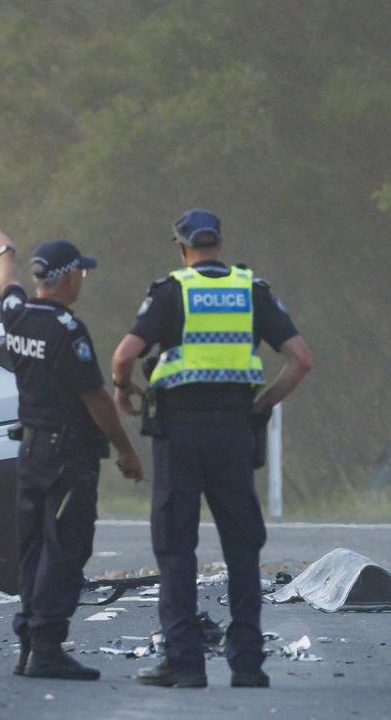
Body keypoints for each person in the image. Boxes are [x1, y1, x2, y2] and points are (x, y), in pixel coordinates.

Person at [110, 209, 312, 689]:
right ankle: (247, 663)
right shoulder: (251, 291)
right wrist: (262, 403)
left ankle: (184, 662)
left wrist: (122, 389)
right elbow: (301, 359)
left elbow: (122, 356)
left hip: (178, 436)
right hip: (234, 436)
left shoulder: (171, 291)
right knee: (242, 546)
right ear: (219, 243)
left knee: (176, 547)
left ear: (182, 248)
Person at [0, 224, 145, 681]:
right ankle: (48, 647)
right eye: (81, 273)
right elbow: (96, 399)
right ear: (69, 277)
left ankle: (28, 644)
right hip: (66, 459)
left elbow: (6, 281)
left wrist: (5, 249)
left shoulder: (17, 315)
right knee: (64, 551)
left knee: (33, 550)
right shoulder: (66, 330)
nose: (82, 281)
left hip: (32, 453)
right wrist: (126, 451)